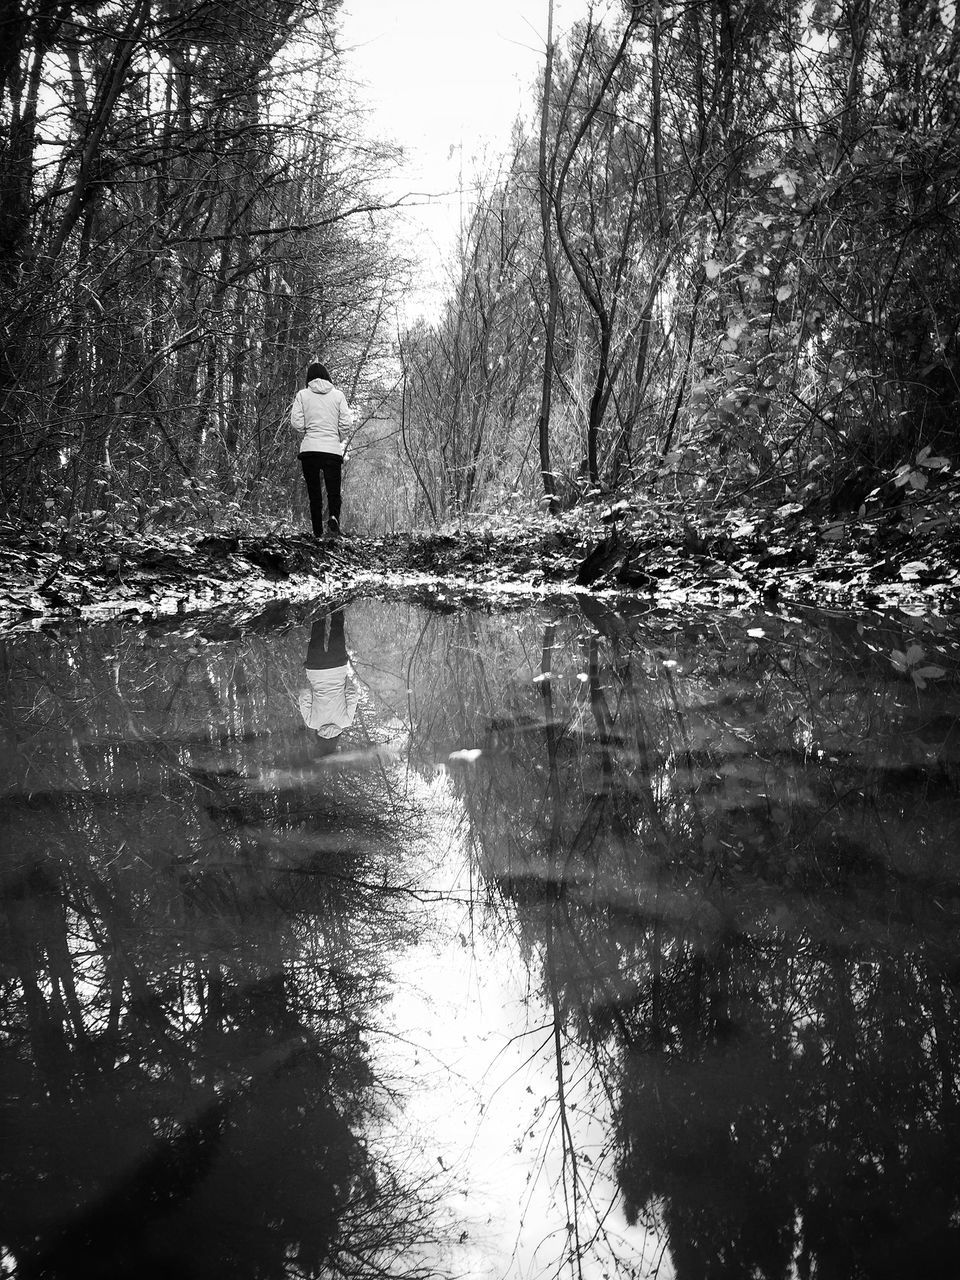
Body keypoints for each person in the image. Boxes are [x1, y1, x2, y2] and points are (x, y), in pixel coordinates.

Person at [290, 361, 353, 537]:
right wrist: (336, 437)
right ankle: (334, 519)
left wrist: (308, 432)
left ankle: (317, 533)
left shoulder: (302, 395)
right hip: (332, 451)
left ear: (309, 378)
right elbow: (346, 423)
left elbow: (296, 422)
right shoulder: (338, 395)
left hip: (310, 450)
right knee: (334, 492)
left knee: (314, 494)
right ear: (327, 376)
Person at [298, 609, 359, 754]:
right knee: (317, 629)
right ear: (319, 741)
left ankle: (337, 600)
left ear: (335, 741)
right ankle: (318, 600)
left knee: (337, 627)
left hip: (337, 667)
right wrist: (310, 680)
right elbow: (304, 694)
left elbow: (352, 694)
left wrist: (344, 679)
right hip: (315, 668)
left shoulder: (346, 721)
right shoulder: (312, 722)